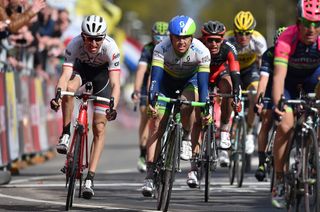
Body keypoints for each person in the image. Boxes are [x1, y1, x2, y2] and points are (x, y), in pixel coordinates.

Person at [50, 15, 121, 200]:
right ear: (83, 36)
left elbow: (115, 83)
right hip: (82, 71)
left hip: (102, 79)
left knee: (99, 127)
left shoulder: (111, 48)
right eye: (90, 38)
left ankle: (90, 178)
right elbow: (65, 75)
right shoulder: (74, 44)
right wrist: (58, 94)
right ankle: (66, 133)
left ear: (104, 37)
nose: (94, 43)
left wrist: (113, 105)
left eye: (98, 39)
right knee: (69, 89)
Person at [141, 15, 211, 196]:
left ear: (192, 37)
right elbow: (155, 80)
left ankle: (186, 136)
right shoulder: (160, 48)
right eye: (177, 37)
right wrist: (152, 101)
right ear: (170, 37)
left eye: (185, 37)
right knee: (157, 123)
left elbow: (203, 86)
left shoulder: (202, 51)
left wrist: (205, 109)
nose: (181, 41)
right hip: (166, 83)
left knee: (188, 104)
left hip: (190, 82)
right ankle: (149, 175)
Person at [272, 0, 320, 208]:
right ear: (297, 22)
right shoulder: (287, 38)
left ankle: (313, 156)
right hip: (289, 81)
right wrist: (278, 104)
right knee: (285, 125)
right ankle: (280, 179)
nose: (311, 29)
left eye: (317, 24)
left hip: (312, 79)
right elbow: (279, 77)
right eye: (306, 23)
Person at [224, 11, 267, 155]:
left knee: (255, 94)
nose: (243, 37)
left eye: (247, 33)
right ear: (234, 32)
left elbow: (264, 67)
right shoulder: (227, 39)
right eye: (239, 33)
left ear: (252, 32)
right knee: (228, 95)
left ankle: (249, 132)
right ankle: (227, 130)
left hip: (250, 70)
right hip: (231, 69)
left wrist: (263, 86)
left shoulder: (259, 41)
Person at [200, 20, 241, 167]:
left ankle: (224, 130)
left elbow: (235, 71)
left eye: (217, 40)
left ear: (222, 39)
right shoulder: (196, 46)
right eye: (210, 40)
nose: (214, 44)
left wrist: (236, 95)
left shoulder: (229, 48)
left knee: (228, 88)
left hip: (219, 75)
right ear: (203, 38)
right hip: (201, 76)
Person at [131, 21, 169, 173]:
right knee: (145, 114)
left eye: (162, 36)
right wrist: (136, 90)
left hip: (165, 83)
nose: (159, 39)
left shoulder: (170, 48)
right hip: (147, 84)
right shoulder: (147, 49)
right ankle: (142, 152)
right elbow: (141, 70)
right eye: (156, 36)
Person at [254, 27, 287, 182]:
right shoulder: (269, 54)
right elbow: (263, 80)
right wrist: (259, 100)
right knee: (266, 122)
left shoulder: (291, 53)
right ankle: (261, 163)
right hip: (269, 88)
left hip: (287, 88)